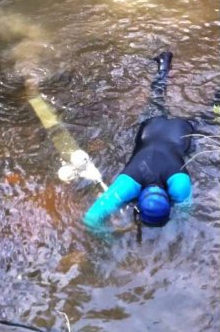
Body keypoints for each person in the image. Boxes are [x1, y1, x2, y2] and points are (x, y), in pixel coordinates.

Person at [83, 51, 196, 231]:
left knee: (207, 117)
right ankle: (163, 64)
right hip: (151, 127)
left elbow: (92, 219)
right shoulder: (129, 183)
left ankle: (163, 64)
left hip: (180, 131)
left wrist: (114, 235)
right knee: (157, 99)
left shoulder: (177, 183)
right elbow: (90, 219)